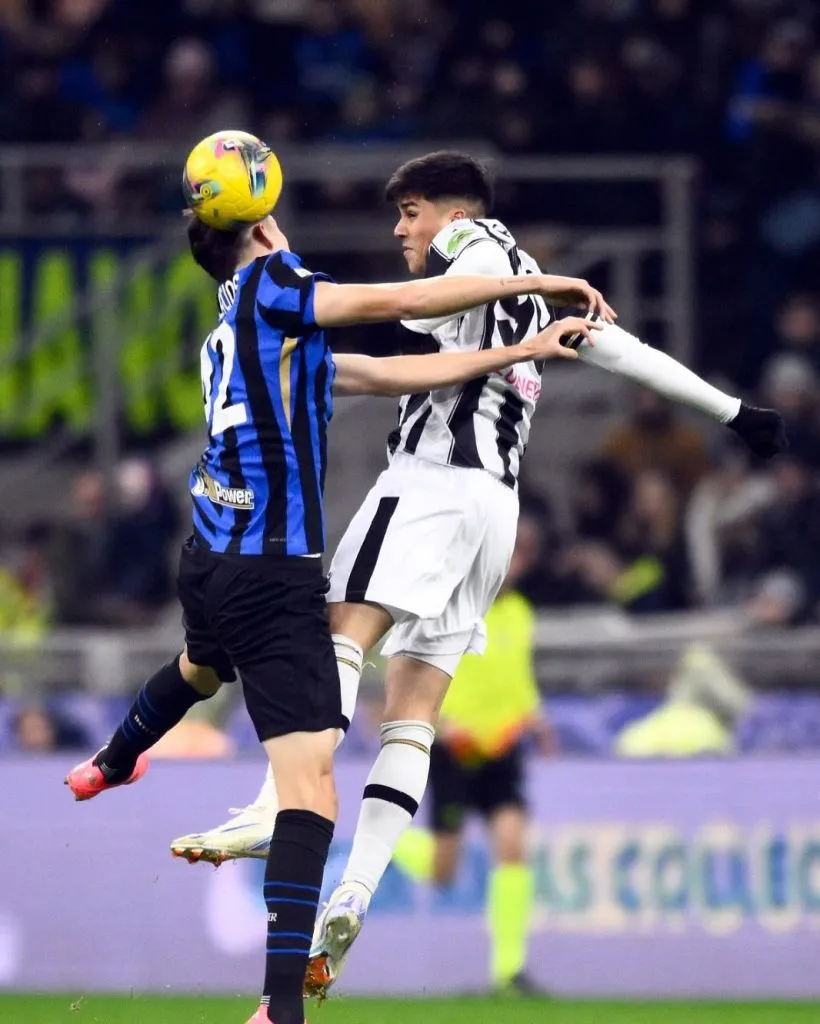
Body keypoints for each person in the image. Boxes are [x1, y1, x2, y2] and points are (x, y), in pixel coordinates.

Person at [165, 151, 787, 1000]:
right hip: (496, 512)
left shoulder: (477, 251)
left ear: (437, 209)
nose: (400, 235)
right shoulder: (535, 287)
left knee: (341, 632)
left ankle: (278, 798)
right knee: (411, 713)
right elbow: (628, 350)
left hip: (430, 481)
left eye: (406, 218)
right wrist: (738, 414)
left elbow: (424, 297)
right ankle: (355, 891)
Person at [64, 139, 606, 1024]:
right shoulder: (279, 290)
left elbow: (392, 370)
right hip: (270, 567)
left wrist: (515, 352)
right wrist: (530, 289)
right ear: (256, 234)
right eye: (272, 222)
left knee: (201, 668)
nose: (285, 233)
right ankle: (282, 1001)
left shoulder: (230, 337)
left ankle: (115, 758)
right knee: (312, 787)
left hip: (204, 553)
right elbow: (407, 302)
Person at [391, 514, 551, 995]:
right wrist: (441, 723)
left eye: (516, 557)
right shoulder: (446, 610)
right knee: (443, 871)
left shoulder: (521, 613)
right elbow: (413, 675)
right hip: (455, 750)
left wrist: (534, 718)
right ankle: (389, 843)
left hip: (501, 747)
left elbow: (518, 679)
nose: (510, 566)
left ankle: (509, 970)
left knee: (512, 845)